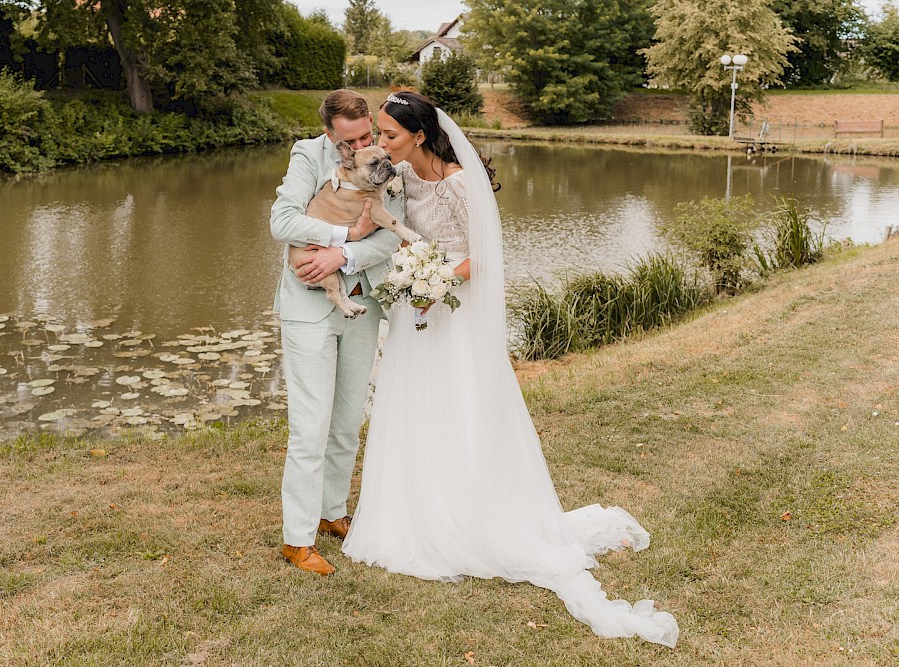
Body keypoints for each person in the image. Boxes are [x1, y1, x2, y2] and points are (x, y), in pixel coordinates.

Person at [341, 91, 679, 648]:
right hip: (415, 302)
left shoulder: (457, 182)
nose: (380, 145)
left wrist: (438, 282)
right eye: (377, 135)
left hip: (452, 302)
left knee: (459, 401)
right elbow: (377, 218)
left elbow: (484, 254)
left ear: (420, 135)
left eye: (389, 136)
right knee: (410, 402)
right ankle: (412, 508)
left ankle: (470, 509)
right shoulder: (396, 176)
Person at [270, 89, 401, 576]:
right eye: (352, 138)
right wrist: (342, 238)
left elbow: (391, 232)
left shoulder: (386, 157)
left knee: (347, 419)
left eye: (368, 132)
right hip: (309, 305)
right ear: (330, 134)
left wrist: (345, 257)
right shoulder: (307, 155)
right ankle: (296, 540)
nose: (366, 143)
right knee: (310, 427)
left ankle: (332, 512)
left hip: (363, 301)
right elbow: (282, 221)